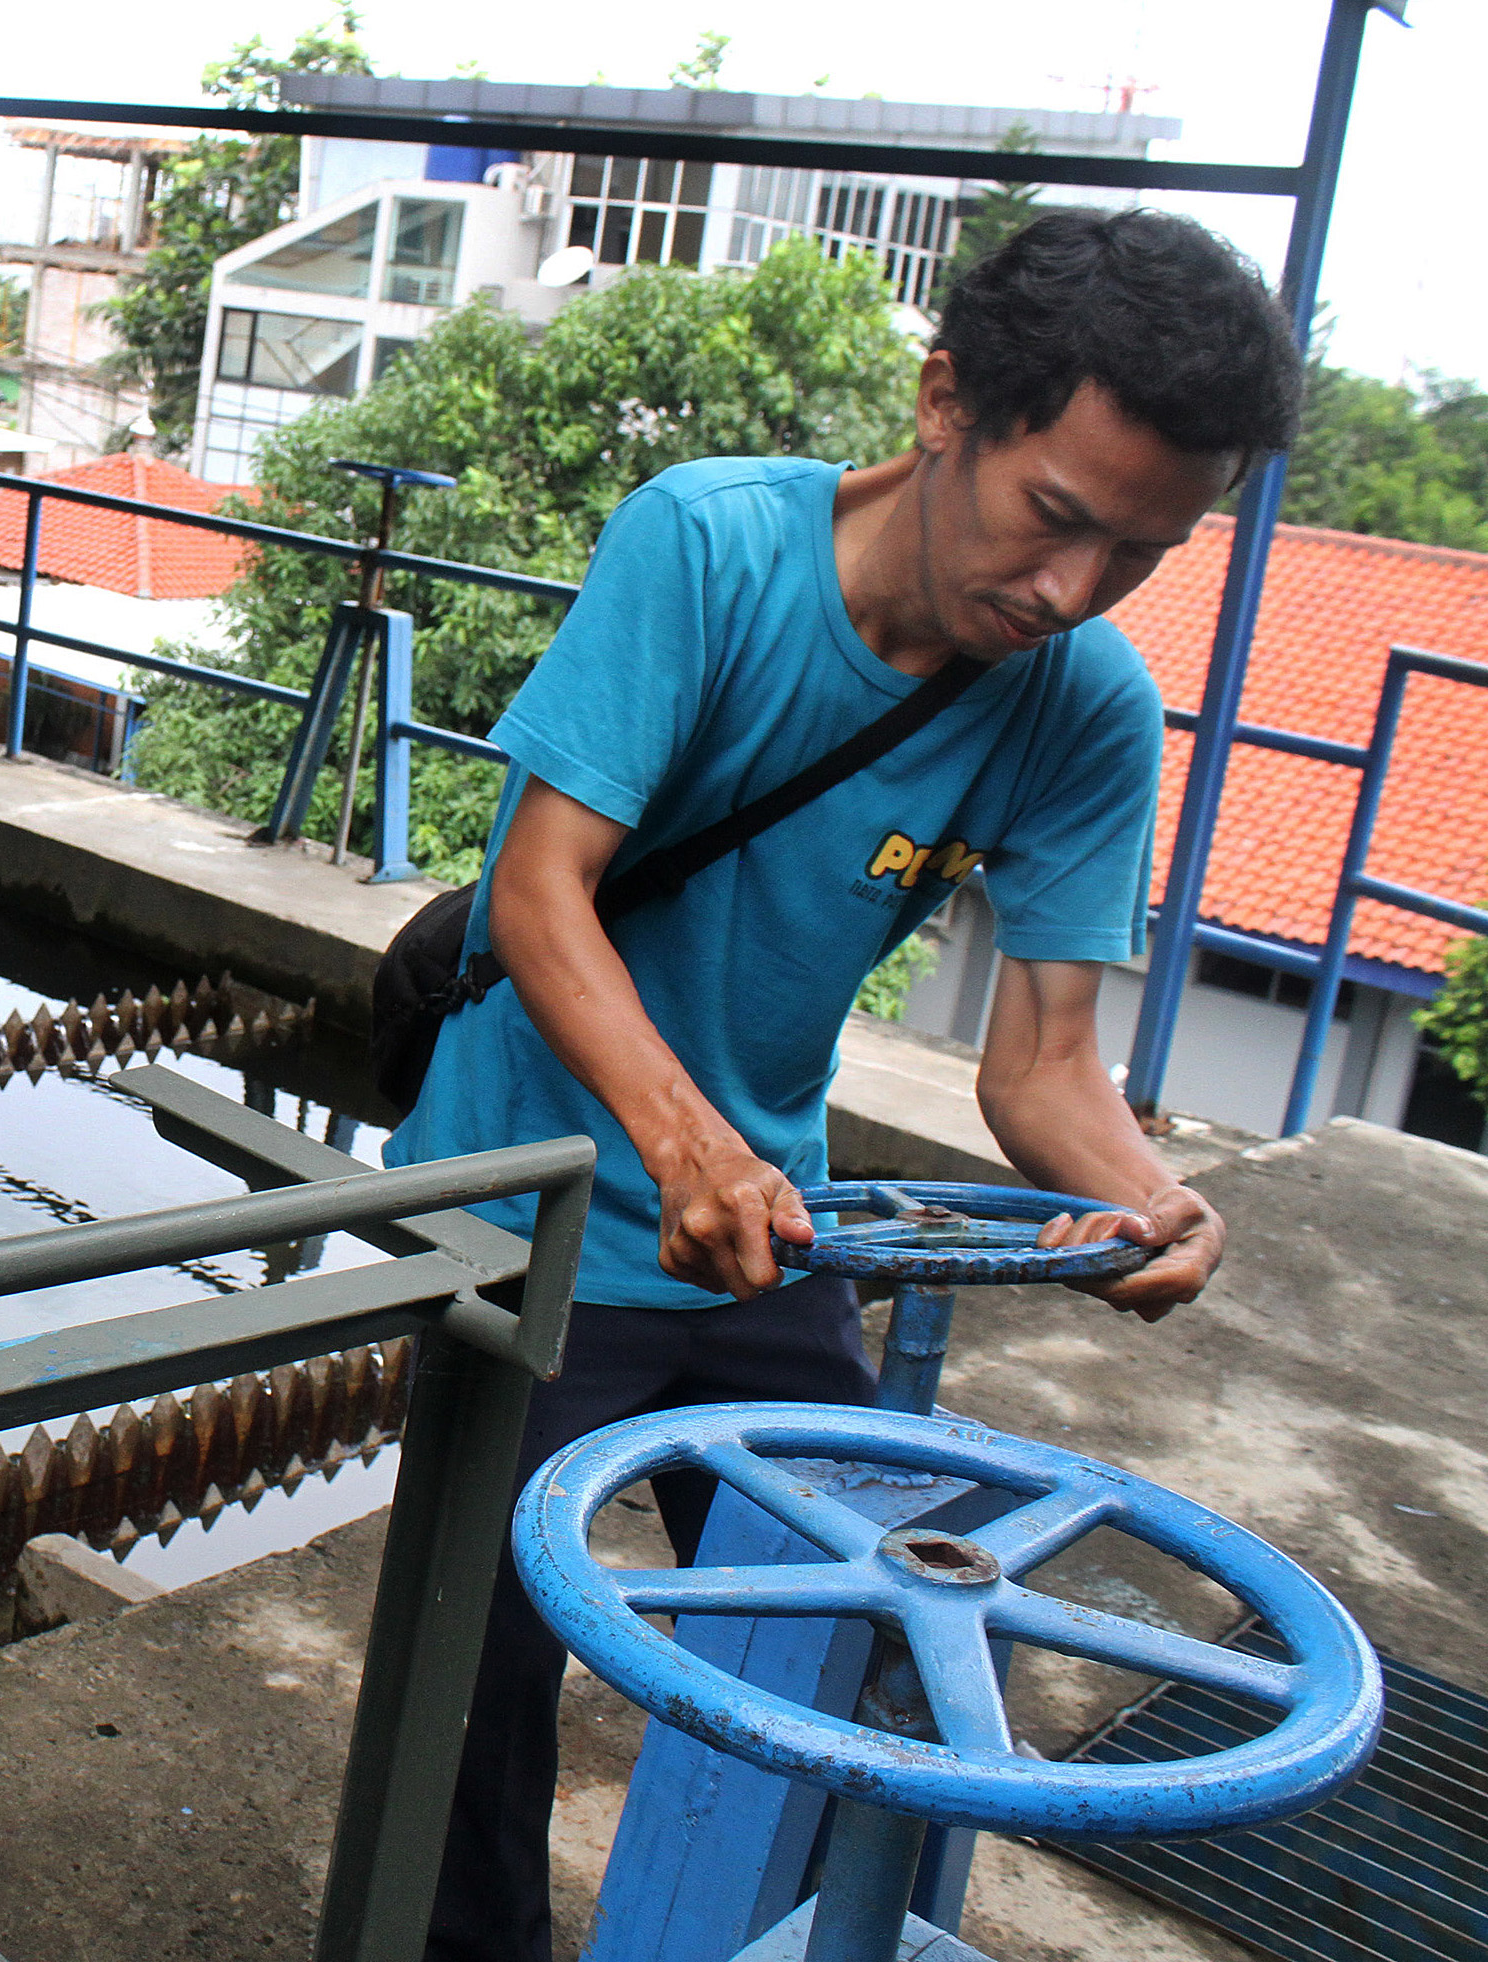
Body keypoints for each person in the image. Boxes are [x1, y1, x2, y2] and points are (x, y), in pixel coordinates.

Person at [387, 207, 1304, 1962]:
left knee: (875, 1656)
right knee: (475, 1687)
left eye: (1140, 553)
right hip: (536, 1212)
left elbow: (1040, 1067)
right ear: (948, 399)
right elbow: (540, 888)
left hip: (770, 1237)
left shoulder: (1084, 706)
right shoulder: (709, 548)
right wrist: (686, 1143)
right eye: (1056, 520)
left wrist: (1146, 1196)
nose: (1072, 595)